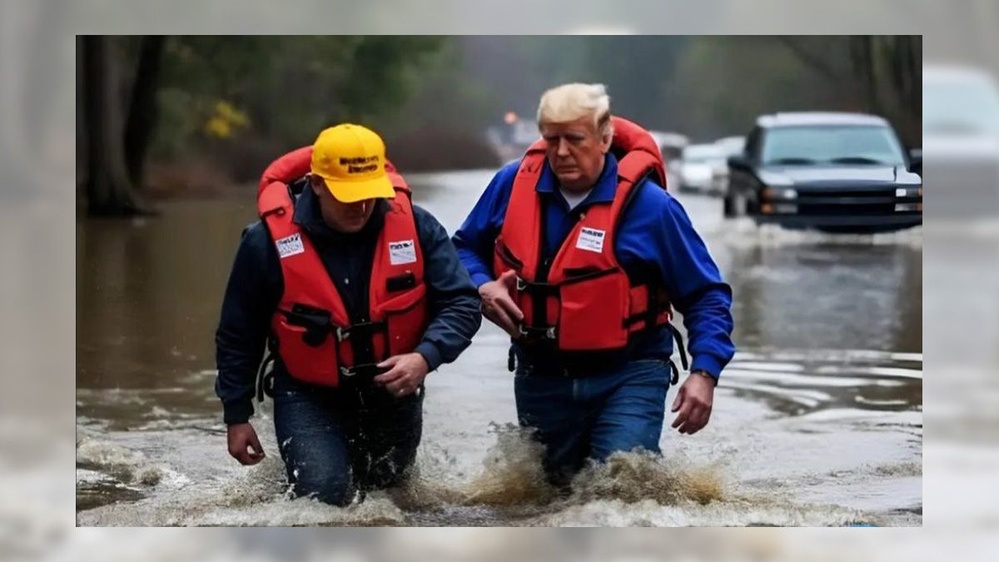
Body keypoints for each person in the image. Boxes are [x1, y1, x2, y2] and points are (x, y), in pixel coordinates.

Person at [452, 83, 735, 486]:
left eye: (574, 139)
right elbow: (462, 249)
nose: (562, 152)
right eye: (552, 139)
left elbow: (706, 295)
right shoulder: (512, 185)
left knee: (620, 488)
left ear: (605, 138)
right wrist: (482, 286)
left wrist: (704, 373)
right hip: (542, 375)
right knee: (550, 500)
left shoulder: (653, 208)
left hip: (631, 372)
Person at [215, 123, 482, 506]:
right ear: (317, 184)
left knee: (389, 504)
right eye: (347, 196)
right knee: (324, 499)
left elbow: (462, 302)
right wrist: (236, 416)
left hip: (393, 394)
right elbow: (238, 333)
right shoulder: (265, 243)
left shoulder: (416, 226)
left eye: (369, 195)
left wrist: (425, 357)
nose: (360, 207)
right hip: (309, 394)